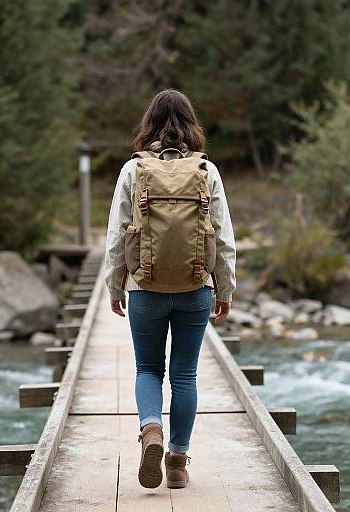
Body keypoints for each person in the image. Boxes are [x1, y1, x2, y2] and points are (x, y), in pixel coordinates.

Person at [104, 89, 236, 489]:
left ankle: (151, 432)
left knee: (147, 369)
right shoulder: (206, 171)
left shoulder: (133, 171)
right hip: (195, 285)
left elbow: (115, 235)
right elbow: (224, 238)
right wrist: (224, 289)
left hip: (144, 286)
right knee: (185, 374)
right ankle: (177, 462)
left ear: (149, 124)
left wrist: (116, 284)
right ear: (191, 124)